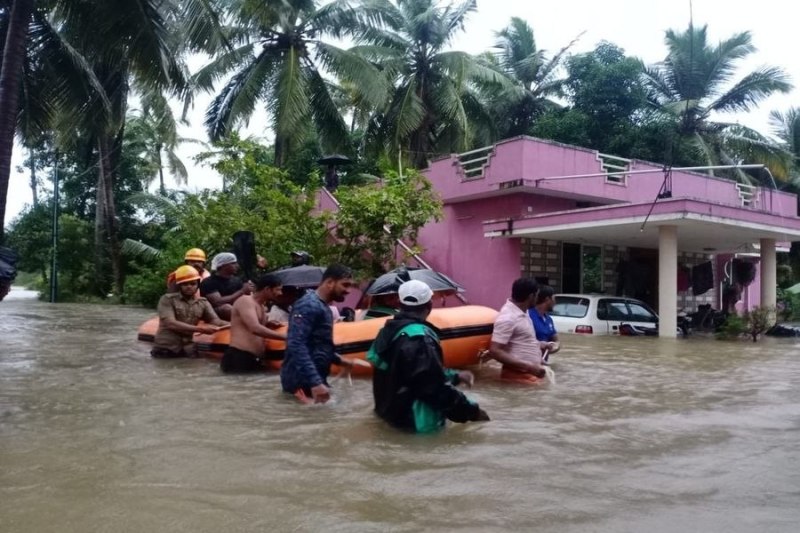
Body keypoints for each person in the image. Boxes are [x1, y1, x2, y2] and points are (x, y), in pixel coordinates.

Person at [367, 280, 490, 433]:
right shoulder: (420, 339)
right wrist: (471, 412)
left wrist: (455, 376)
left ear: (399, 303)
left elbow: (410, 373)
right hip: (416, 425)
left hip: (389, 418)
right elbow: (434, 388)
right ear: (429, 305)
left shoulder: (387, 332)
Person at [280, 264, 355, 403]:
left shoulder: (322, 306)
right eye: (345, 285)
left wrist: (339, 360)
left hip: (314, 379)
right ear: (330, 282)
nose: (348, 291)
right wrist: (315, 382)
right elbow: (296, 344)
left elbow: (317, 344)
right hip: (301, 382)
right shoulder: (308, 305)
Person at [151, 265, 228, 358]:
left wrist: (233, 324)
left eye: (193, 284)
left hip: (187, 348)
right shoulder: (167, 299)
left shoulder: (202, 302)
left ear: (197, 285)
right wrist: (201, 329)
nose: (189, 287)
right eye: (185, 284)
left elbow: (215, 321)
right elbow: (170, 323)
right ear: (180, 285)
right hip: (166, 348)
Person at [221, 274, 287, 373]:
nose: (280, 293)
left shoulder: (261, 306)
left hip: (253, 358)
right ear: (267, 289)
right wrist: (286, 337)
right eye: (278, 289)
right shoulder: (246, 301)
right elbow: (255, 328)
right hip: (239, 357)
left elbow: (251, 326)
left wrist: (268, 323)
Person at [486, 278, 547, 383]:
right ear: (531, 296)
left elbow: (521, 341)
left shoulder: (524, 312)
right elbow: (495, 351)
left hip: (529, 375)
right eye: (537, 295)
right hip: (518, 377)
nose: (537, 299)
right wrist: (529, 366)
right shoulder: (508, 318)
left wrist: (540, 345)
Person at [199, 252, 254, 320]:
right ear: (223, 265)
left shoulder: (237, 280)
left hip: (236, 308)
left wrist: (249, 290)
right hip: (213, 312)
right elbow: (217, 302)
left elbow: (244, 298)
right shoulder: (209, 282)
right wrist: (242, 291)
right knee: (226, 308)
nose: (237, 266)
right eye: (233, 263)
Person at [527, 285, 560, 363]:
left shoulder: (549, 319)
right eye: (554, 298)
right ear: (547, 299)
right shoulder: (528, 315)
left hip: (542, 364)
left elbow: (556, 339)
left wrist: (556, 346)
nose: (555, 302)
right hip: (529, 364)